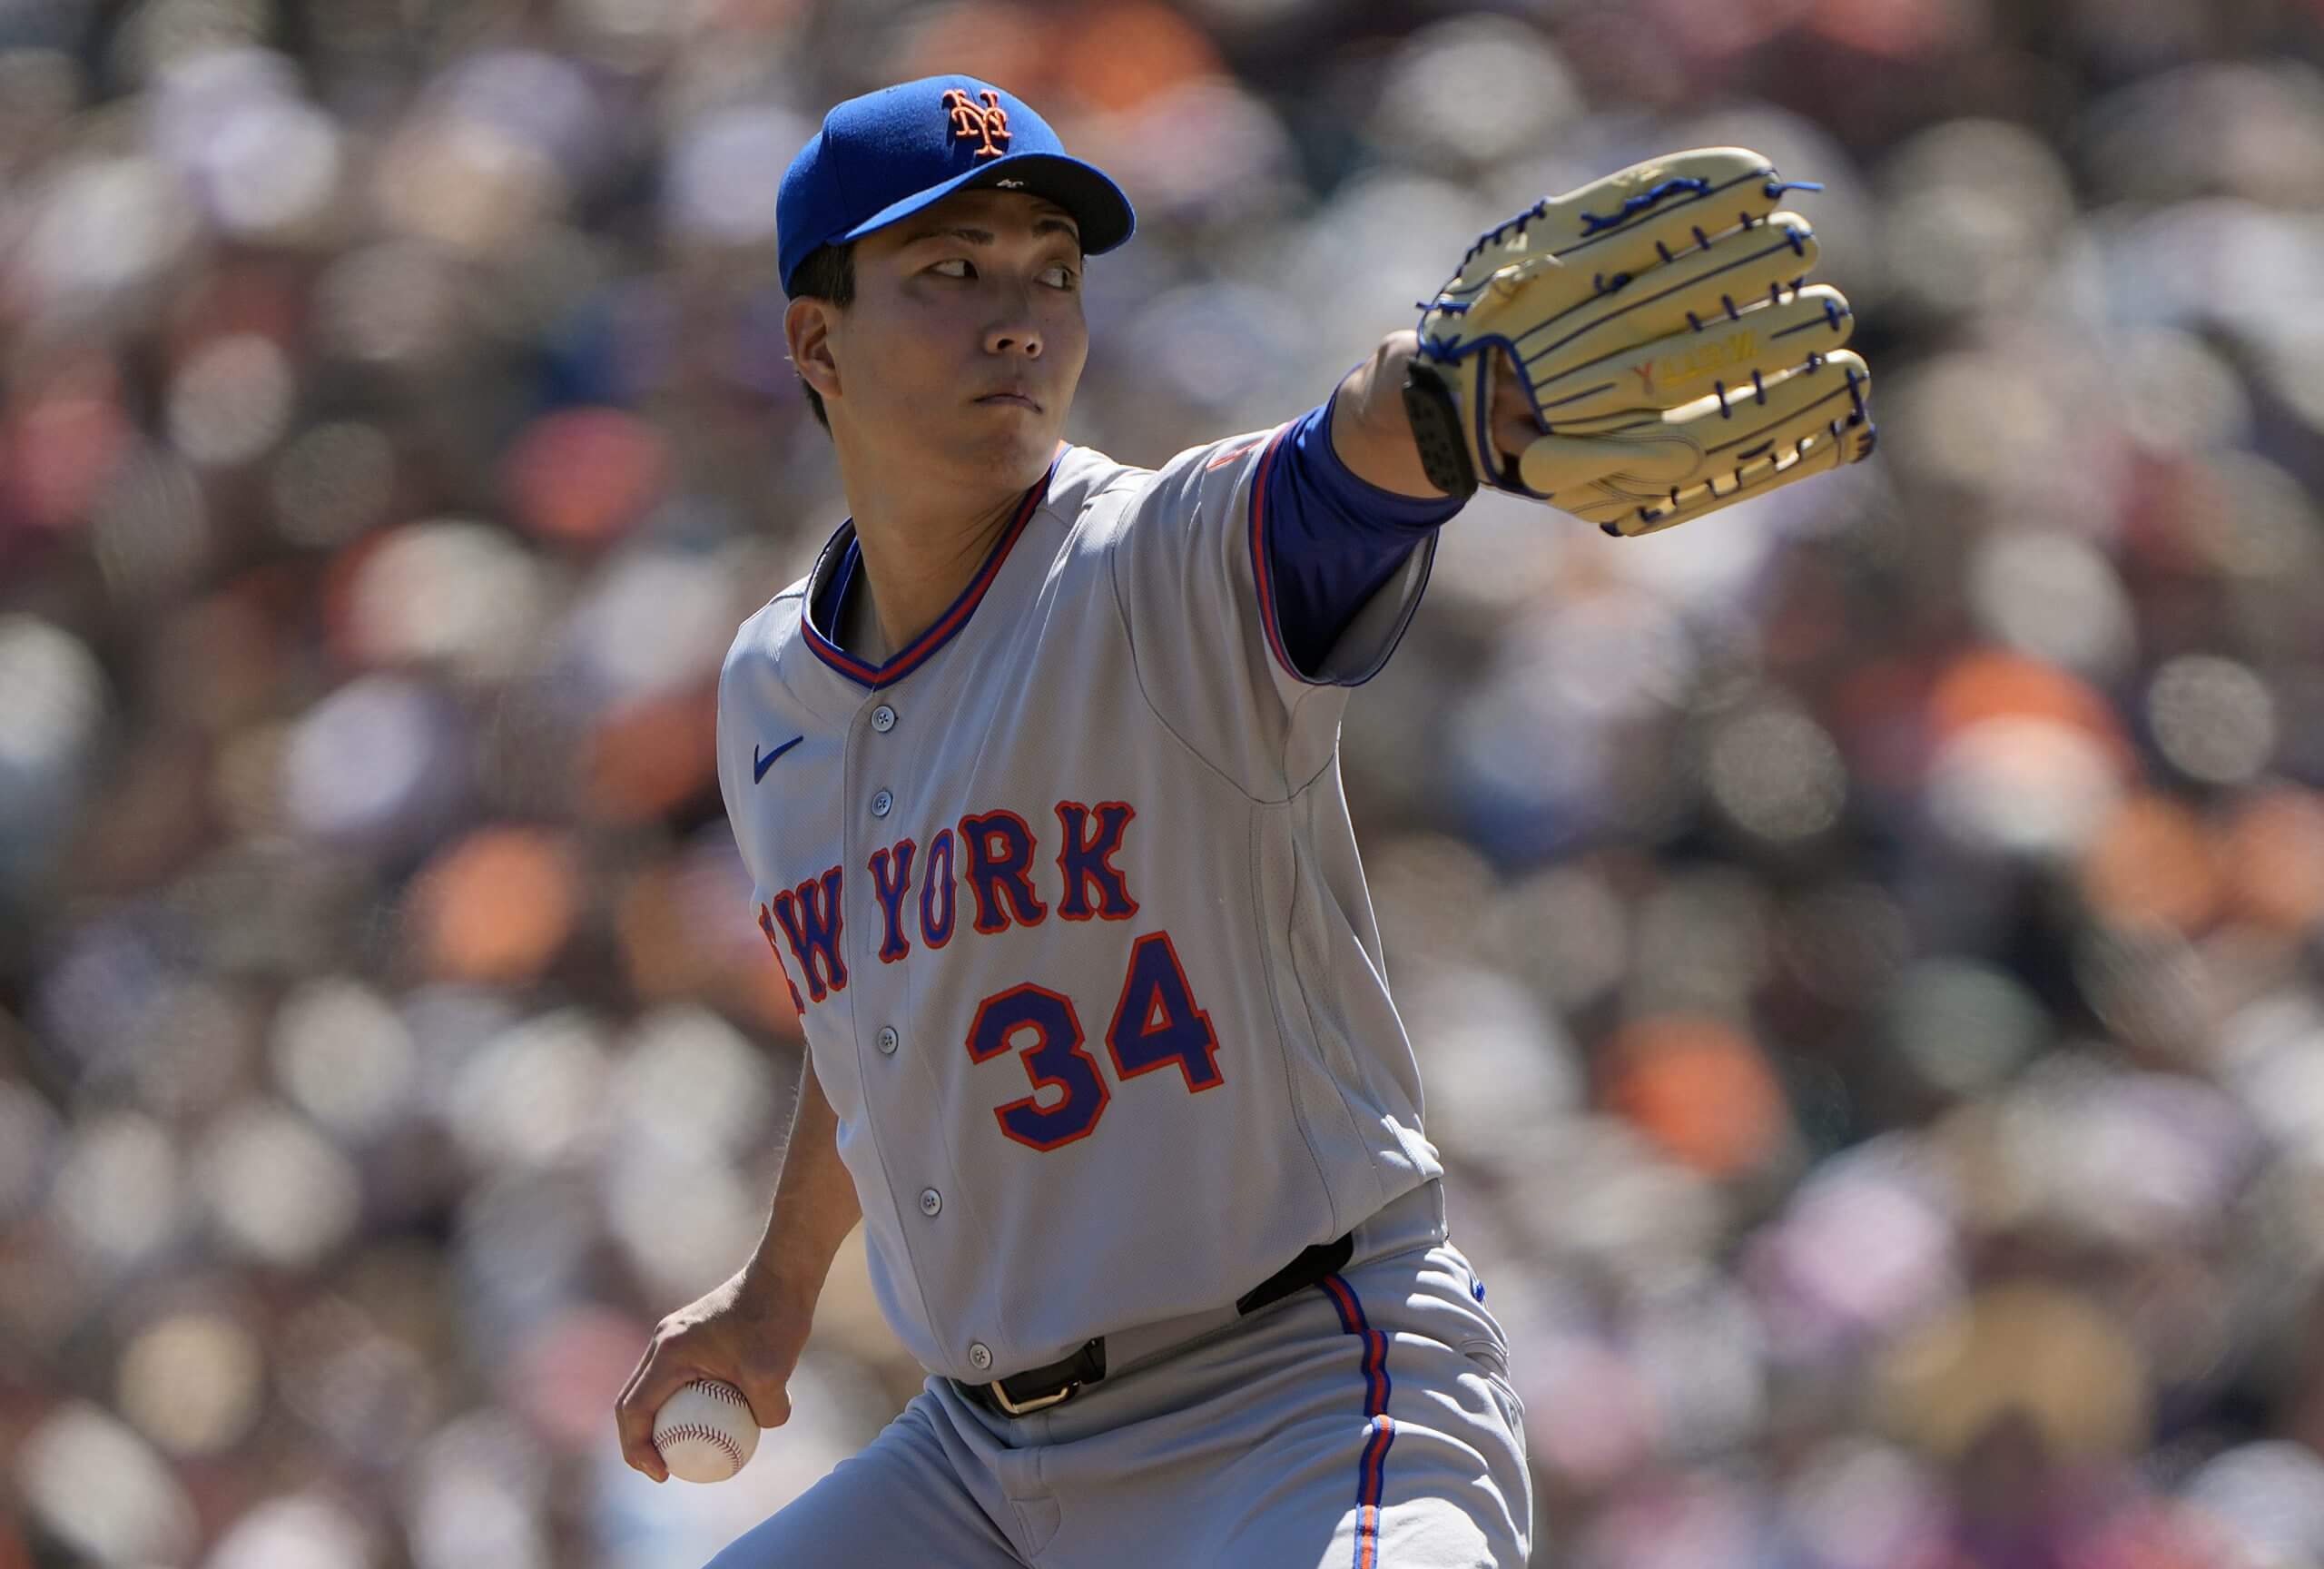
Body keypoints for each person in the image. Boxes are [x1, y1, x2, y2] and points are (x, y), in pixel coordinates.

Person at [615, 73, 1546, 1567]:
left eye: (1053, 272)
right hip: (980, 1464)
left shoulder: (1157, 562)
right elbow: (883, 1023)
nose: (1019, 316)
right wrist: (780, 1287)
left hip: (1299, 1400)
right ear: (815, 340)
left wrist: (1441, 406)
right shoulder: (770, 690)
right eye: (950, 271)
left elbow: (1341, 470)